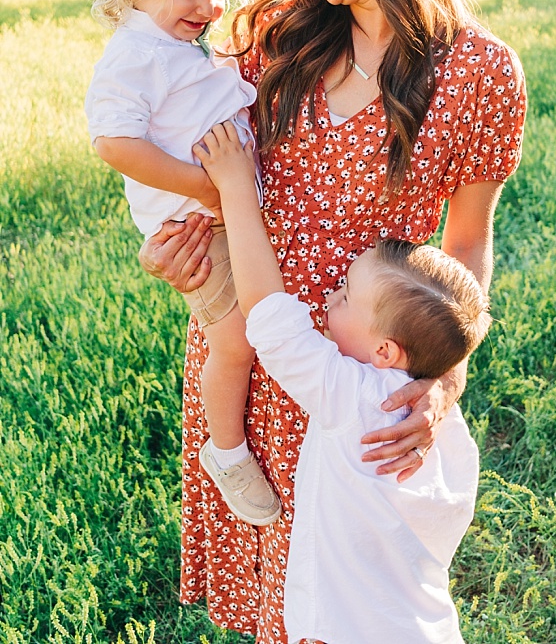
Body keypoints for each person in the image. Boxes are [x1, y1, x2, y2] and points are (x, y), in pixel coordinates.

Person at [141, 0, 526, 644]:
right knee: (273, 604)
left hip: (356, 377)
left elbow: (464, 245)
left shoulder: (479, 72)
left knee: (355, 605)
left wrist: (441, 378)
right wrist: (185, 257)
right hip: (249, 348)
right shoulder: (273, 43)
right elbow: (205, 169)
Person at [198, 119, 487, 644]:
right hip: (420, 625)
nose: (331, 295)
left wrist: (237, 188)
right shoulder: (440, 421)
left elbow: (272, 321)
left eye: (346, 296)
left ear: (383, 350)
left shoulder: (355, 397)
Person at [84, 0, 277, 525]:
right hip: (199, 225)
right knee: (235, 341)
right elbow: (115, 143)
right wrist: (205, 187)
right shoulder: (134, 56)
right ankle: (226, 452)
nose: (210, 7)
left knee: (257, 330)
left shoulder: (176, 44)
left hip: (226, 210)